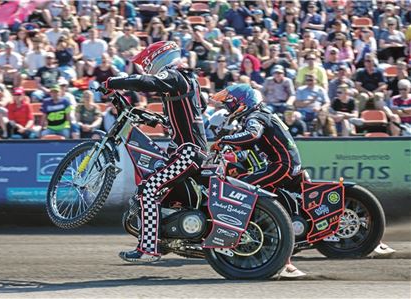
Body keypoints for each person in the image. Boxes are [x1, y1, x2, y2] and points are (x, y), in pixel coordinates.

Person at [103, 41, 207, 262]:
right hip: (189, 151)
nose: (146, 69)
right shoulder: (189, 80)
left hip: (188, 152)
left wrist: (113, 81)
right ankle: (164, 240)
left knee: (148, 189)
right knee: (164, 195)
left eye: (147, 64)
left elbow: (145, 82)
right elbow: (187, 113)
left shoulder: (175, 76)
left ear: (159, 59)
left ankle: (149, 250)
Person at [210, 83, 305, 277]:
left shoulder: (255, 117)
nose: (228, 109)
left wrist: (225, 141)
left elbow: (253, 134)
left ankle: (282, 260)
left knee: (243, 190)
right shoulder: (262, 114)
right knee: (244, 182)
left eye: (230, 104)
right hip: (284, 163)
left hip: (281, 165)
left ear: (242, 103)